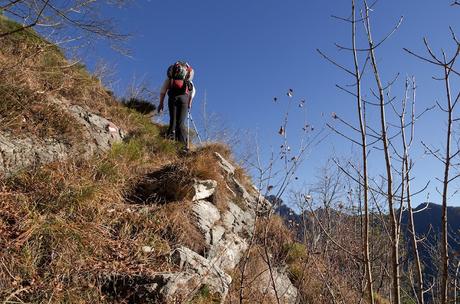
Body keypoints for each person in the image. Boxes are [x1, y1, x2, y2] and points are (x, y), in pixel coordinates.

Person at [158, 61, 196, 146]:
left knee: (173, 121)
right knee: (181, 123)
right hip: (184, 99)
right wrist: (189, 103)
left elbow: (162, 92)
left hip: (172, 99)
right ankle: (182, 145)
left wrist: (161, 103)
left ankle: (169, 141)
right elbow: (192, 92)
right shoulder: (188, 81)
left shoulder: (170, 79)